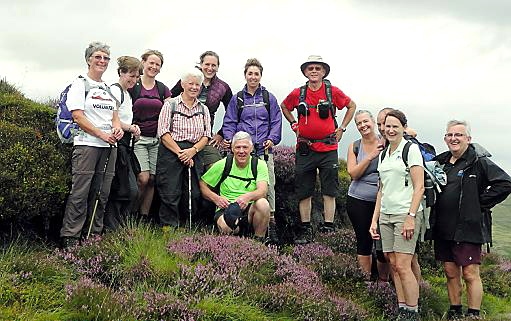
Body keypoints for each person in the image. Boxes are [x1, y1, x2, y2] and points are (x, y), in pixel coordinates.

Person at [431, 120, 511, 320]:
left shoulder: (479, 161)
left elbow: (505, 183)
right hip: (443, 226)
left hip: (468, 227)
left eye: (458, 135)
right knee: (450, 271)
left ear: (468, 139)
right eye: (450, 135)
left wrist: (478, 204)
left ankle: (473, 314)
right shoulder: (440, 162)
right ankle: (455, 311)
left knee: (470, 273)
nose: (453, 139)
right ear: (445, 139)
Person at [280, 55, 356, 244]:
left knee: (329, 189)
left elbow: (351, 106)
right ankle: (305, 228)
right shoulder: (298, 93)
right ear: (305, 72)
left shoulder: (333, 91)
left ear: (323, 72)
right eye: (310, 68)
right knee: (304, 190)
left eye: (318, 68)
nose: (314, 71)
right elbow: (284, 106)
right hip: (305, 148)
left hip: (328, 147)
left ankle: (328, 227)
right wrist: (293, 123)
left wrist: (342, 128)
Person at [60, 41, 124, 248]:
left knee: (101, 194)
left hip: (109, 148)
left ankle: (93, 236)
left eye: (106, 58)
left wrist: (117, 129)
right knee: (80, 192)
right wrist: (101, 135)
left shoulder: (108, 89)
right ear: (88, 59)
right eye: (98, 57)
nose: (102, 61)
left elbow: (115, 116)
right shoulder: (79, 85)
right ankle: (70, 237)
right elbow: (78, 116)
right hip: (86, 145)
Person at [369, 109, 424, 320]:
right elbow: (381, 190)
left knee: (403, 264)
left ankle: (413, 311)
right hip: (386, 215)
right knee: (392, 263)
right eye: (387, 126)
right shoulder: (384, 153)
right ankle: (403, 308)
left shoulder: (410, 150)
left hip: (405, 214)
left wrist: (411, 216)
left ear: (403, 128)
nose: (390, 130)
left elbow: (418, 187)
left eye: (395, 126)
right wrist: (374, 220)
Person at [222, 58, 282, 244]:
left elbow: (276, 121)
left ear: (260, 76)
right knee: (238, 183)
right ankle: (236, 219)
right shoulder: (237, 98)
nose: (253, 77)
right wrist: (231, 140)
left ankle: (270, 224)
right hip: (242, 149)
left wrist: (272, 139)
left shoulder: (268, 98)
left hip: (263, 150)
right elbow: (230, 121)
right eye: (250, 73)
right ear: (245, 75)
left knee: (268, 186)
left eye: (257, 74)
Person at [155, 69, 211, 228]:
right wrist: (181, 154)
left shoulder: (203, 109)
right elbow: (164, 133)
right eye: (190, 83)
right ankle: (168, 228)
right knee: (170, 191)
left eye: (197, 85)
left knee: (192, 192)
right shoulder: (170, 104)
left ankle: (187, 227)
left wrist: (192, 152)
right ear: (182, 84)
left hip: (195, 152)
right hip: (172, 151)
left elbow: (206, 135)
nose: (194, 87)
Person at [199, 131, 270, 242]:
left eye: (245, 147)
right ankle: (234, 242)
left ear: (251, 149)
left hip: (249, 209)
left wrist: (248, 197)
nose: (241, 151)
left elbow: (263, 190)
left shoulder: (259, 165)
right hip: (226, 208)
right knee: (226, 228)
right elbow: (203, 185)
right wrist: (216, 199)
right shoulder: (224, 164)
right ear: (232, 149)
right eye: (238, 147)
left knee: (263, 204)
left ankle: (258, 242)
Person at [170, 50, 233, 168]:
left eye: (213, 65)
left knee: (216, 168)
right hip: (179, 136)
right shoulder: (187, 80)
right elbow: (169, 99)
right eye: (207, 64)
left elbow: (232, 113)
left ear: (218, 67)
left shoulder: (223, 87)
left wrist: (221, 134)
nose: (210, 68)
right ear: (201, 65)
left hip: (205, 137)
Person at [130, 49, 172, 223]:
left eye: (157, 64)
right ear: (143, 63)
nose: (153, 67)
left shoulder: (162, 89)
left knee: (153, 180)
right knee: (143, 178)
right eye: (151, 63)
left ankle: (144, 217)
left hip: (156, 140)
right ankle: (131, 212)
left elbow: (171, 108)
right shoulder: (134, 85)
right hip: (138, 139)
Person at [104, 56, 142, 231]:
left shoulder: (127, 93)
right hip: (117, 144)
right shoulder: (115, 90)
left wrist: (133, 130)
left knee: (129, 188)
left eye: (136, 77)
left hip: (126, 144)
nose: (134, 80)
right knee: (122, 188)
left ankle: (120, 226)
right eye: (131, 76)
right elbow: (113, 118)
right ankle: (113, 227)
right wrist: (132, 128)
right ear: (121, 72)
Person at [346, 110, 384, 278]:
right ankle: (366, 283)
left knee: (383, 244)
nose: (363, 125)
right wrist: (371, 156)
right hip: (358, 199)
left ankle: (383, 282)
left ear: (373, 122)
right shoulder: (354, 146)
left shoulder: (385, 141)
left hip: (383, 201)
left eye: (365, 121)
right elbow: (353, 173)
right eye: (359, 123)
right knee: (364, 241)